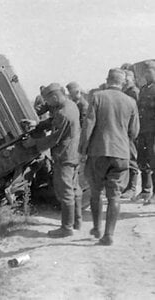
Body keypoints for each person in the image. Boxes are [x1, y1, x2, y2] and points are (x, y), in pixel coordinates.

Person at [79, 68, 140, 246]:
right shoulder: (130, 102)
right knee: (114, 196)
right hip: (121, 153)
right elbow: (134, 132)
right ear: (122, 83)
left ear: (107, 80)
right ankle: (109, 235)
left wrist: (83, 149)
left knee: (96, 192)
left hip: (99, 152)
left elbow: (88, 125)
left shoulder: (98, 97)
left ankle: (97, 228)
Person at [22, 83, 82, 237]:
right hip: (74, 154)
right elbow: (53, 121)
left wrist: (34, 143)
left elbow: (54, 139)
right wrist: (37, 124)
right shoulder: (70, 105)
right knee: (74, 188)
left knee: (65, 190)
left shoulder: (63, 112)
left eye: (48, 101)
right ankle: (77, 221)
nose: (47, 104)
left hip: (64, 155)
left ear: (54, 97)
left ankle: (67, 228)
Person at [136, 60, 155, 205]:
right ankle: (146, 190)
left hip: (153, 131)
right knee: (144, 161)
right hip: (143, 130)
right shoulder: (143, 89)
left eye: (149, 71)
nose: (147, 75)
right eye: (146, 72)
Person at [121, 70, 140, 200]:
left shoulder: (134, 92)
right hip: (124, 130)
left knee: (132, 159)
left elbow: (136, 113)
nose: (125, 82)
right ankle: (128, 186)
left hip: (131, 130)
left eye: (127, 80)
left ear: (132, 79)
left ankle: (132, 188)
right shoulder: (125, 92)